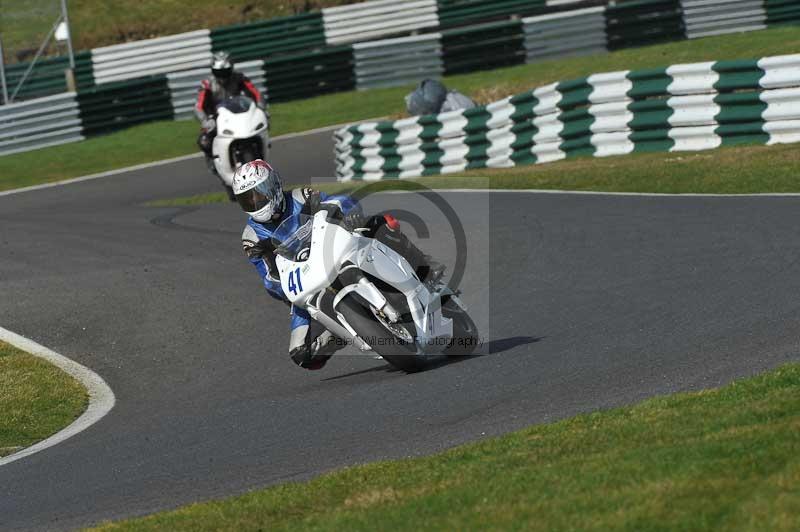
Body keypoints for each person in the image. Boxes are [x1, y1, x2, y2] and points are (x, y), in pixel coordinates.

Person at [233, 160, 444, 370]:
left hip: (334, 248)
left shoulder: (300, 196)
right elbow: (268, 277)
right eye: (247, 200)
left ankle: (424, 268)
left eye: (258, 194)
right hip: (307, 281)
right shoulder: (251, 238)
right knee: (302, 352)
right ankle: (348, 328)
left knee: (380, 223)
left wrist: (346, 211)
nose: (254, 202)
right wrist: (282, 288)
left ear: (272, 186)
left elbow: (335, 200)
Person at [195, 51, 265, 171]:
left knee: (262, 126)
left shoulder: (240, 78)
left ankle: (261, 154)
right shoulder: (207, 84)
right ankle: (213, 161)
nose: (222, 76)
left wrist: (260, 108)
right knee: (204, 141)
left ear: (231, 68)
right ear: (213, 71)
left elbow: (256, 94)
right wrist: (205, 120)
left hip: (240, 113)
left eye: (225, 71)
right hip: (216, 117)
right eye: (218, 72)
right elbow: (198, 106)